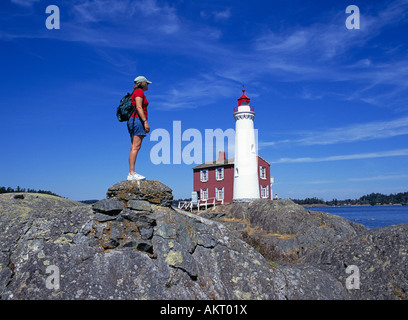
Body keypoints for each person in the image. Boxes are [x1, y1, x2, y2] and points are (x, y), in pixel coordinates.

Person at [127, 76, 152, 181]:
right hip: (137, 120)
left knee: (134, 147)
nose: (148, 85)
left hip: (133, 120)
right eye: (146, 83)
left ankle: (131, 173)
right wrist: (145, 122)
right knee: (135, 147)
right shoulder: (139, 92)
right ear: (142, 83)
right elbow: (138, 107)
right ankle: (131, 173)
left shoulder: (136, 92)